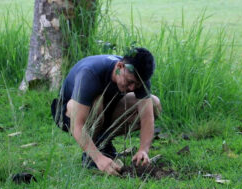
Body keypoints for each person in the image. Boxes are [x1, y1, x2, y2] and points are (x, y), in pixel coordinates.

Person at [51, 47, 162, 175]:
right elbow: (77, 125)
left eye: (137, 85)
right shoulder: (89, 73)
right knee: (97, 103)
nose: (132, 88)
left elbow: (147, 117)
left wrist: (143, 149)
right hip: (69, 113)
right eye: (130, 82)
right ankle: (93, 155)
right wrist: (99, 159)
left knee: (154, 104)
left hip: (105, 109)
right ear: (120, 67)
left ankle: (104, 141)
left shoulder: (138, 76)